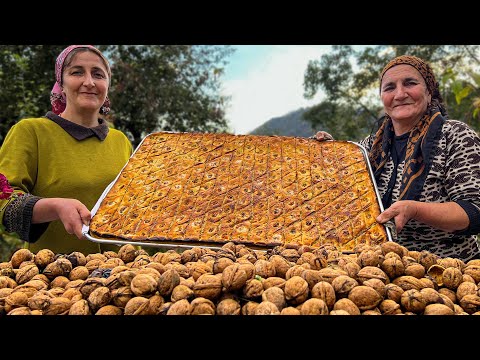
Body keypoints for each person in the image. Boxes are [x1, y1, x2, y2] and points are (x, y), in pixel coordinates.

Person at [315, 55, 480, 261]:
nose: (400, 94)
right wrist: (326, 156)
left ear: (429, 93)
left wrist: (414, 209)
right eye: (390, 87)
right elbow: (344, 199)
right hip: (381, 269)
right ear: (382, 97)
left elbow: (475, 211)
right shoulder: (368, 147)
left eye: (410, 83)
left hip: (450, 271)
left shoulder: (455, 136)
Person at [0, 45, 133, 255]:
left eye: (98, 74)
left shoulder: (120, 141)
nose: (89, 82)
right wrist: (55, 206)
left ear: (107, 85)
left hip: (119, 275)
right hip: (52, 278)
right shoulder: (31, 132)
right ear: (61, 84)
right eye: (77, 72)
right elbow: (3, 199)